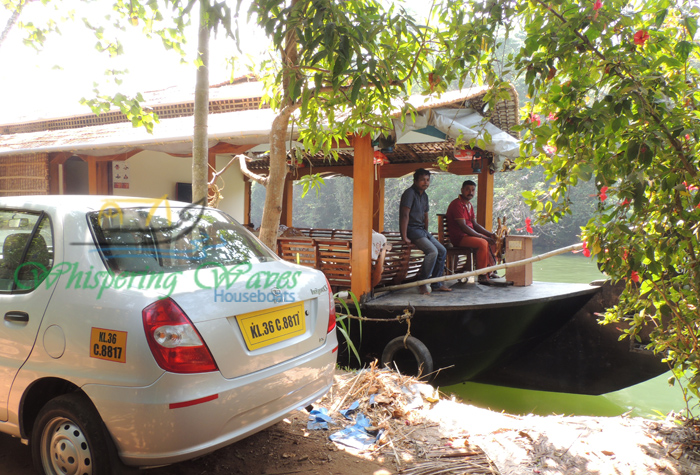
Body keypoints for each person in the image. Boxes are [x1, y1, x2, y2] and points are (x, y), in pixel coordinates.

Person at [399, 168, 451, 294]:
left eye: (428, 180)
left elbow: (426, 216)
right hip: (412, 230)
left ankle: (436, 284)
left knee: (442, 250)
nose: (426, 182)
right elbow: (404, 215)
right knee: (432, 251)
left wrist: (427, 234)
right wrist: (404, 236)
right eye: (422, 180)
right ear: (415, 180)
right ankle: (422, 282)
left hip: (422, 231)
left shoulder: (425, 196)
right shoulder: (409, 193)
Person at [445, 180, 501, 283]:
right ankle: (482, 275)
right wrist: (482, 237)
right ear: (462, 190)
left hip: (469, 236)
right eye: (467, 189)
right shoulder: (457, 204)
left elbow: (475, 225)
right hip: (460, 237)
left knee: (492, 240)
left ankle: (490, 271)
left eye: (473, 190)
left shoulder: (469, 205)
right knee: (483, 242)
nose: (470, 192)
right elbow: (463, 227)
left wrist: (490, 234)